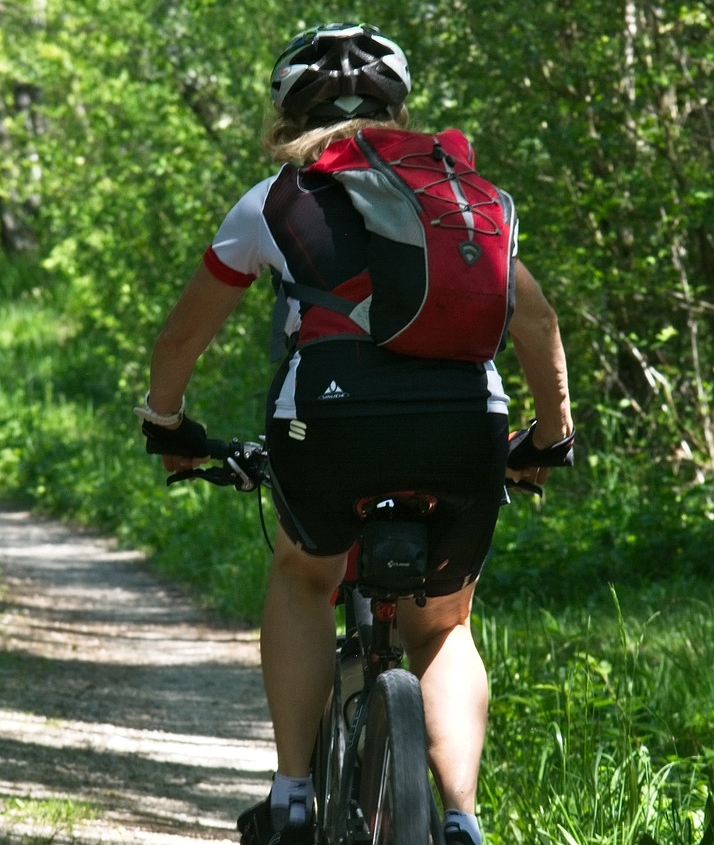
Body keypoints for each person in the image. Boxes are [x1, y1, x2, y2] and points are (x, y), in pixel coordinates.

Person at [134, 23, 574, 845]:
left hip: (331, 421)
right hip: (467, 425)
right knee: (442, 624)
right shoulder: (460, 196)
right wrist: (549, 437)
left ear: (287, 113)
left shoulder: (275, 200)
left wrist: (167, 423)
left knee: (305, 572)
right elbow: (537, 318)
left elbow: (180, 340)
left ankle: (294, 792)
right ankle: (461, 820)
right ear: (398, 107)